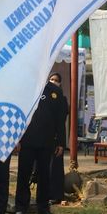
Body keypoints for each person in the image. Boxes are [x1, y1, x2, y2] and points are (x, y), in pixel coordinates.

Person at [14, 80, 66, 214]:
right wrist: (16, 139)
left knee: (44, 175)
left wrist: (61, 142)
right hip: (27, 140)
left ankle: (43, 207)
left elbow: (60, 120)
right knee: (23, 174)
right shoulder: (24, 88)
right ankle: (20, 207)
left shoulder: (55, 91)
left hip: (47, 141)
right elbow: (17, 115)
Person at [48, 72, 69, 204]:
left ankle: (56, 195)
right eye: (51, 79)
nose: (53, 81)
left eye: (56, 80)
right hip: (44, 138)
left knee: (55, 168)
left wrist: (61, 142)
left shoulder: (62, 98)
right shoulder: (43, 97)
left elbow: (61, 122)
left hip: (56, 138)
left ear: (60, 83)